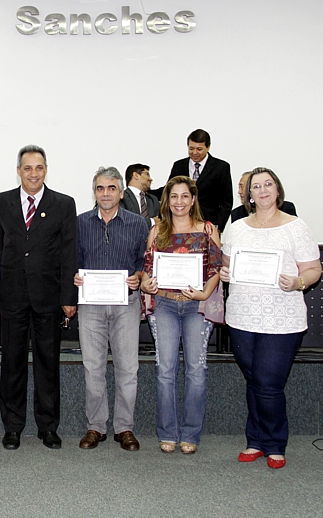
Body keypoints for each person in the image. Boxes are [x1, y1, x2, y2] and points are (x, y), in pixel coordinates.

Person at [219, 167, 321, 469]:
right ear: (248, 194)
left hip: (282, 319)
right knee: (254, 380)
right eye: (256, 186)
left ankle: (275, 443)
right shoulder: (236, 227)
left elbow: (313, 270)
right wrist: (225, 273)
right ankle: (255, 440)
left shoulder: (295, 226)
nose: (262, 190)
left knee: (268, 383)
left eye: (268, 184)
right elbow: (227, 266)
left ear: (278, 190)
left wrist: (299, 282)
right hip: (241, 317)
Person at [0, 144, 77, 450]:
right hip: (13, 296)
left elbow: (69, 253)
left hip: (49, 298)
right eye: (27, 168)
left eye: (39, 167)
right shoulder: (1, 202)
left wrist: (69, 297)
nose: (33, 173)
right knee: (11, 362)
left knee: (47, 363)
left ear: (46, 170)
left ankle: (48, 426)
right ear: (18, 171)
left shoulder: (64, 204)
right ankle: (12, 426)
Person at [140, 176, 222, 455]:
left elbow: (216, 269)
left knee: (196, 371)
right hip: (164, 304)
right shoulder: (157, 231)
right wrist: (145, 283)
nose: (179, 202)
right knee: (165, 370)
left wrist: (203, 294)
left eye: (184, 196)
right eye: (173, 196)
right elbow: (146, 270)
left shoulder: (208, 230)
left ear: (193, 199)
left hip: (196, 307)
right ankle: (167, 433)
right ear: (167, 200)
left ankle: (190, 434)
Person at [74, 167, 148, 452]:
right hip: (90, 305)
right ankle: (96, 426)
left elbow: (144, 261)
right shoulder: (80, 223)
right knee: (93, 368)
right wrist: (74, 277)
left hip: (126, 303)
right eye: (100, 188)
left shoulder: (138, 223)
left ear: (120, 192)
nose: (106, 194)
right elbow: (73, 259)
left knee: (128, 368)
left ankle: (124, 427)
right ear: (94, 192)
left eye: (111, 188)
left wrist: (139, 276)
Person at [167, 129, 232, 232]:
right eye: (191, 148)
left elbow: (226, 201)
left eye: (199, 149)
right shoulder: (179, 166)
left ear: (208, 147)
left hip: (208, 225)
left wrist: (217, 227)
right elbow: (169, 190)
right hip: (179, 225)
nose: (194, 153)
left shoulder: (221, 167)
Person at [230, 171, 297, 223]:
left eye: (242, 187)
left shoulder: (287, 209)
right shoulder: (236, 214)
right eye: (256, 187)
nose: (239, 192)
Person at [120, 163, 160, 228]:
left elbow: (159, 222)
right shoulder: (121, 197)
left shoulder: (153, 200)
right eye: (147, 174)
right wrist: (151, 222)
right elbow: (125, 220)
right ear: (136, 175)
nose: (150, 179)